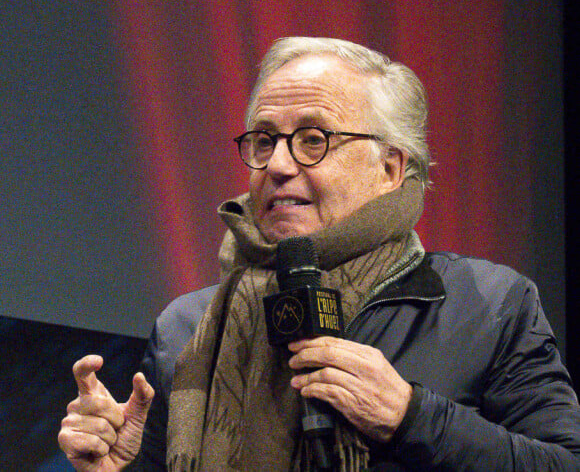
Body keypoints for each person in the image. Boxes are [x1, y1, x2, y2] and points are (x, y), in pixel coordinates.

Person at [58, 37, 580, 471]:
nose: (278, 165)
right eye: (264, 141)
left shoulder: (487, 303)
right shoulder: (186, 327)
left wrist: (411, 416)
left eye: (312, 139)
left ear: (391, 168)